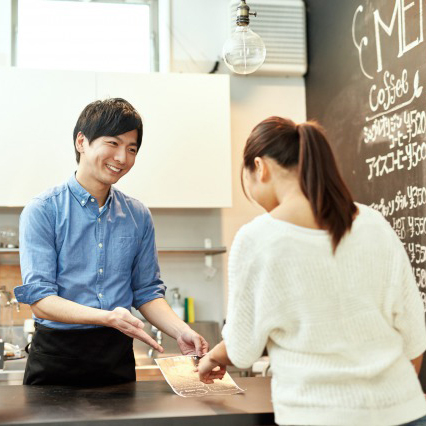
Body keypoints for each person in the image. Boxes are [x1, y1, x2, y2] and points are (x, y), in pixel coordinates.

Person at [197, 117, 426, 426]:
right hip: (405, 410)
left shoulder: (257, 239)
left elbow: (242, 349)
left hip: (319, 415)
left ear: (260, 167)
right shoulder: (374, 223)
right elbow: (414, 335)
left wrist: (212, 358)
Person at [14, 98, 208, 386]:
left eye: (131, 149)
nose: (122, 158)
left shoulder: (138, 215)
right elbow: (41, 301)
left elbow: (146, 292)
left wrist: (181, 331)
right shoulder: (43, 209)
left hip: (116, 357)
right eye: (113, 143)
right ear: (82, 142)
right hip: (57, 357)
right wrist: (108, 317)